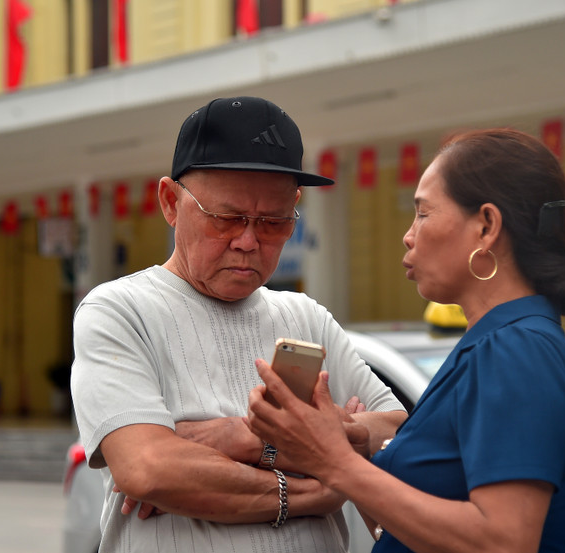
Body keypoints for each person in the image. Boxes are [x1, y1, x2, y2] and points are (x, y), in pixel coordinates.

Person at [70, 96, 407, 553]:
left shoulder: (306, 316)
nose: (249, 241)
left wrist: (246, 439)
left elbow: (398, 433)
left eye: (273, 222)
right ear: (170, 202)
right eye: (227, 219)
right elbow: (148, 468)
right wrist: (325, 485)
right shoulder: (120, 311)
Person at [246, 128, 565, 553]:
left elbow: (504, 541)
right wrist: (350, 450)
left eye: (423, 213)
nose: (408, 234)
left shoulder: (515, 348)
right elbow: (406, 532)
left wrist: (334, 461)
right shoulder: (496, 342)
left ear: (486, 226)